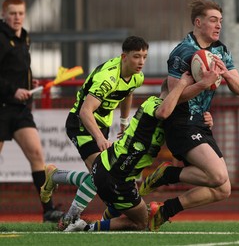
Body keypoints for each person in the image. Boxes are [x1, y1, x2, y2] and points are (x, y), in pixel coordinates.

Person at [139, 0, 239, 231]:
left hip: (200, 124)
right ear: (198, 22)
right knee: (217, 177)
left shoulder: (220, 50)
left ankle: (165, 210)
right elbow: (175, 97)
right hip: (180, 123)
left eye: (221, 21)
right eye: (213, 20)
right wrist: (203, 84)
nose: (219, 26)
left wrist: (226, 74)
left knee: (223, 189)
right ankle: (168, 174)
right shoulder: (183, 52)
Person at [63, 74, 214, 232]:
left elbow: (185, 135)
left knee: (127, 206)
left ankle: (95, 224)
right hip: (115, 175)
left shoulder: (157, 107)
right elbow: (164, 112)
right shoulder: (157, 106)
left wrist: (204, 122)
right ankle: (85, 228)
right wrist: (188, 83)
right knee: (142, 222)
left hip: (110, 168)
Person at [40, 35, 148, 230]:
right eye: (136, 56)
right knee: (101, 175)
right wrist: (99, 138)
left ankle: (54, 176)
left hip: (100, 125)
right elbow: (85, 111)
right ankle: (69, 219)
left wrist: (123, 124)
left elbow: (128, 92)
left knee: (98, 177)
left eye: (144, 57)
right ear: (124, 56)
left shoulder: (137, 76)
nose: (141, 62)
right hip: (81, 122)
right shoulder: (107, 78)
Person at [0, 0, 64, 222]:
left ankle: (48, 210)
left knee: (37, 155)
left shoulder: (24, 37)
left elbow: (18, 69)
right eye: (12, 13)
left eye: (20, 13)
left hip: (20, 110)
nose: (17, 18)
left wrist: (29, 84)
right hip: (2, 106)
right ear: (4, 14)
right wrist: (12, 90)